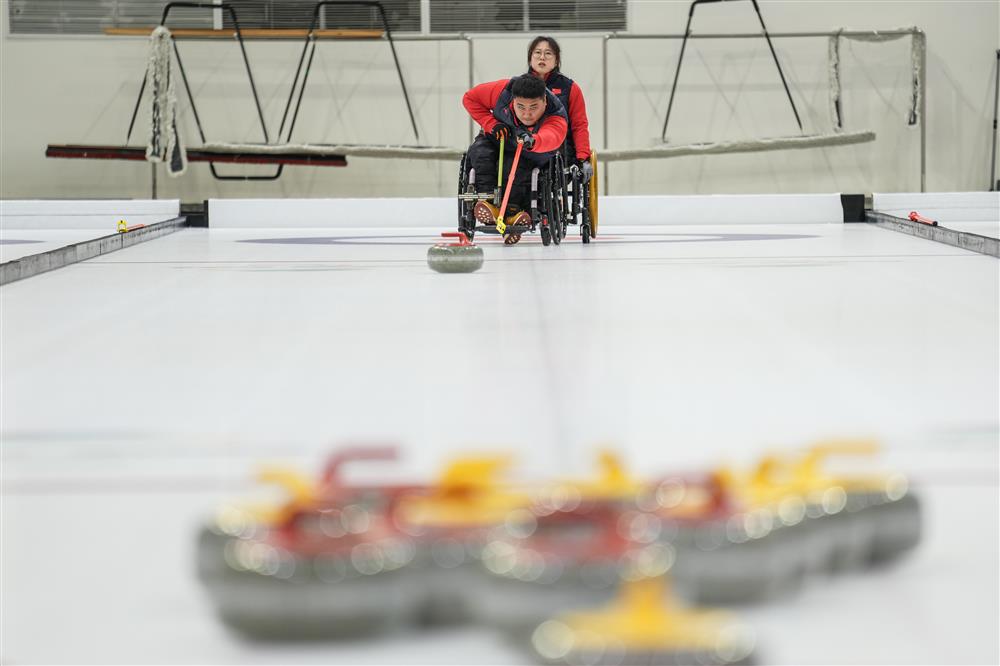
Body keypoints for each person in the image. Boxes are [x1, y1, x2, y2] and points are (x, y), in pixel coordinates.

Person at [462, 73, 568, 245]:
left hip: (530, 151)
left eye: (533, 107)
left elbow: (553, 136)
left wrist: (533, 140)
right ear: (512, 100)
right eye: (521, 107)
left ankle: (513, 212)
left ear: (545, 101)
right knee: (480, 153)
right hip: (498, 137)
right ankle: (488, 203)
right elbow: (470, 98)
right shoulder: (501, 91)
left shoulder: (555, 113)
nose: (527, 114)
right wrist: (491, 124)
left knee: (514, 166)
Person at [526, 36, 593, 183]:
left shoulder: (570, 88)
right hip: (527, 146)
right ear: (530, 58)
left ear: (556, 61)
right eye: (537, 52)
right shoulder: (518, 85)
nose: (542, 57)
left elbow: (579, 125)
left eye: (548, 53)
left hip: (559, 150)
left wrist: (583, 158)